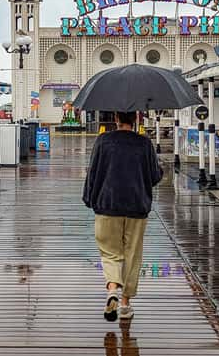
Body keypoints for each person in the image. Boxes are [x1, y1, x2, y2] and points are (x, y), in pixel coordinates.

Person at [82, 111, 164, 321]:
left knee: (110, 253)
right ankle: (125, 305)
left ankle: (112, 290)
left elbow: (93, 173)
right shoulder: (144, 143)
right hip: (137, 206)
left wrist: (89, 198)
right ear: (136, 120)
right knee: (132, 254)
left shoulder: (103, 141)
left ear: (116, 119)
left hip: (107, 205)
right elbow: (155, 177)